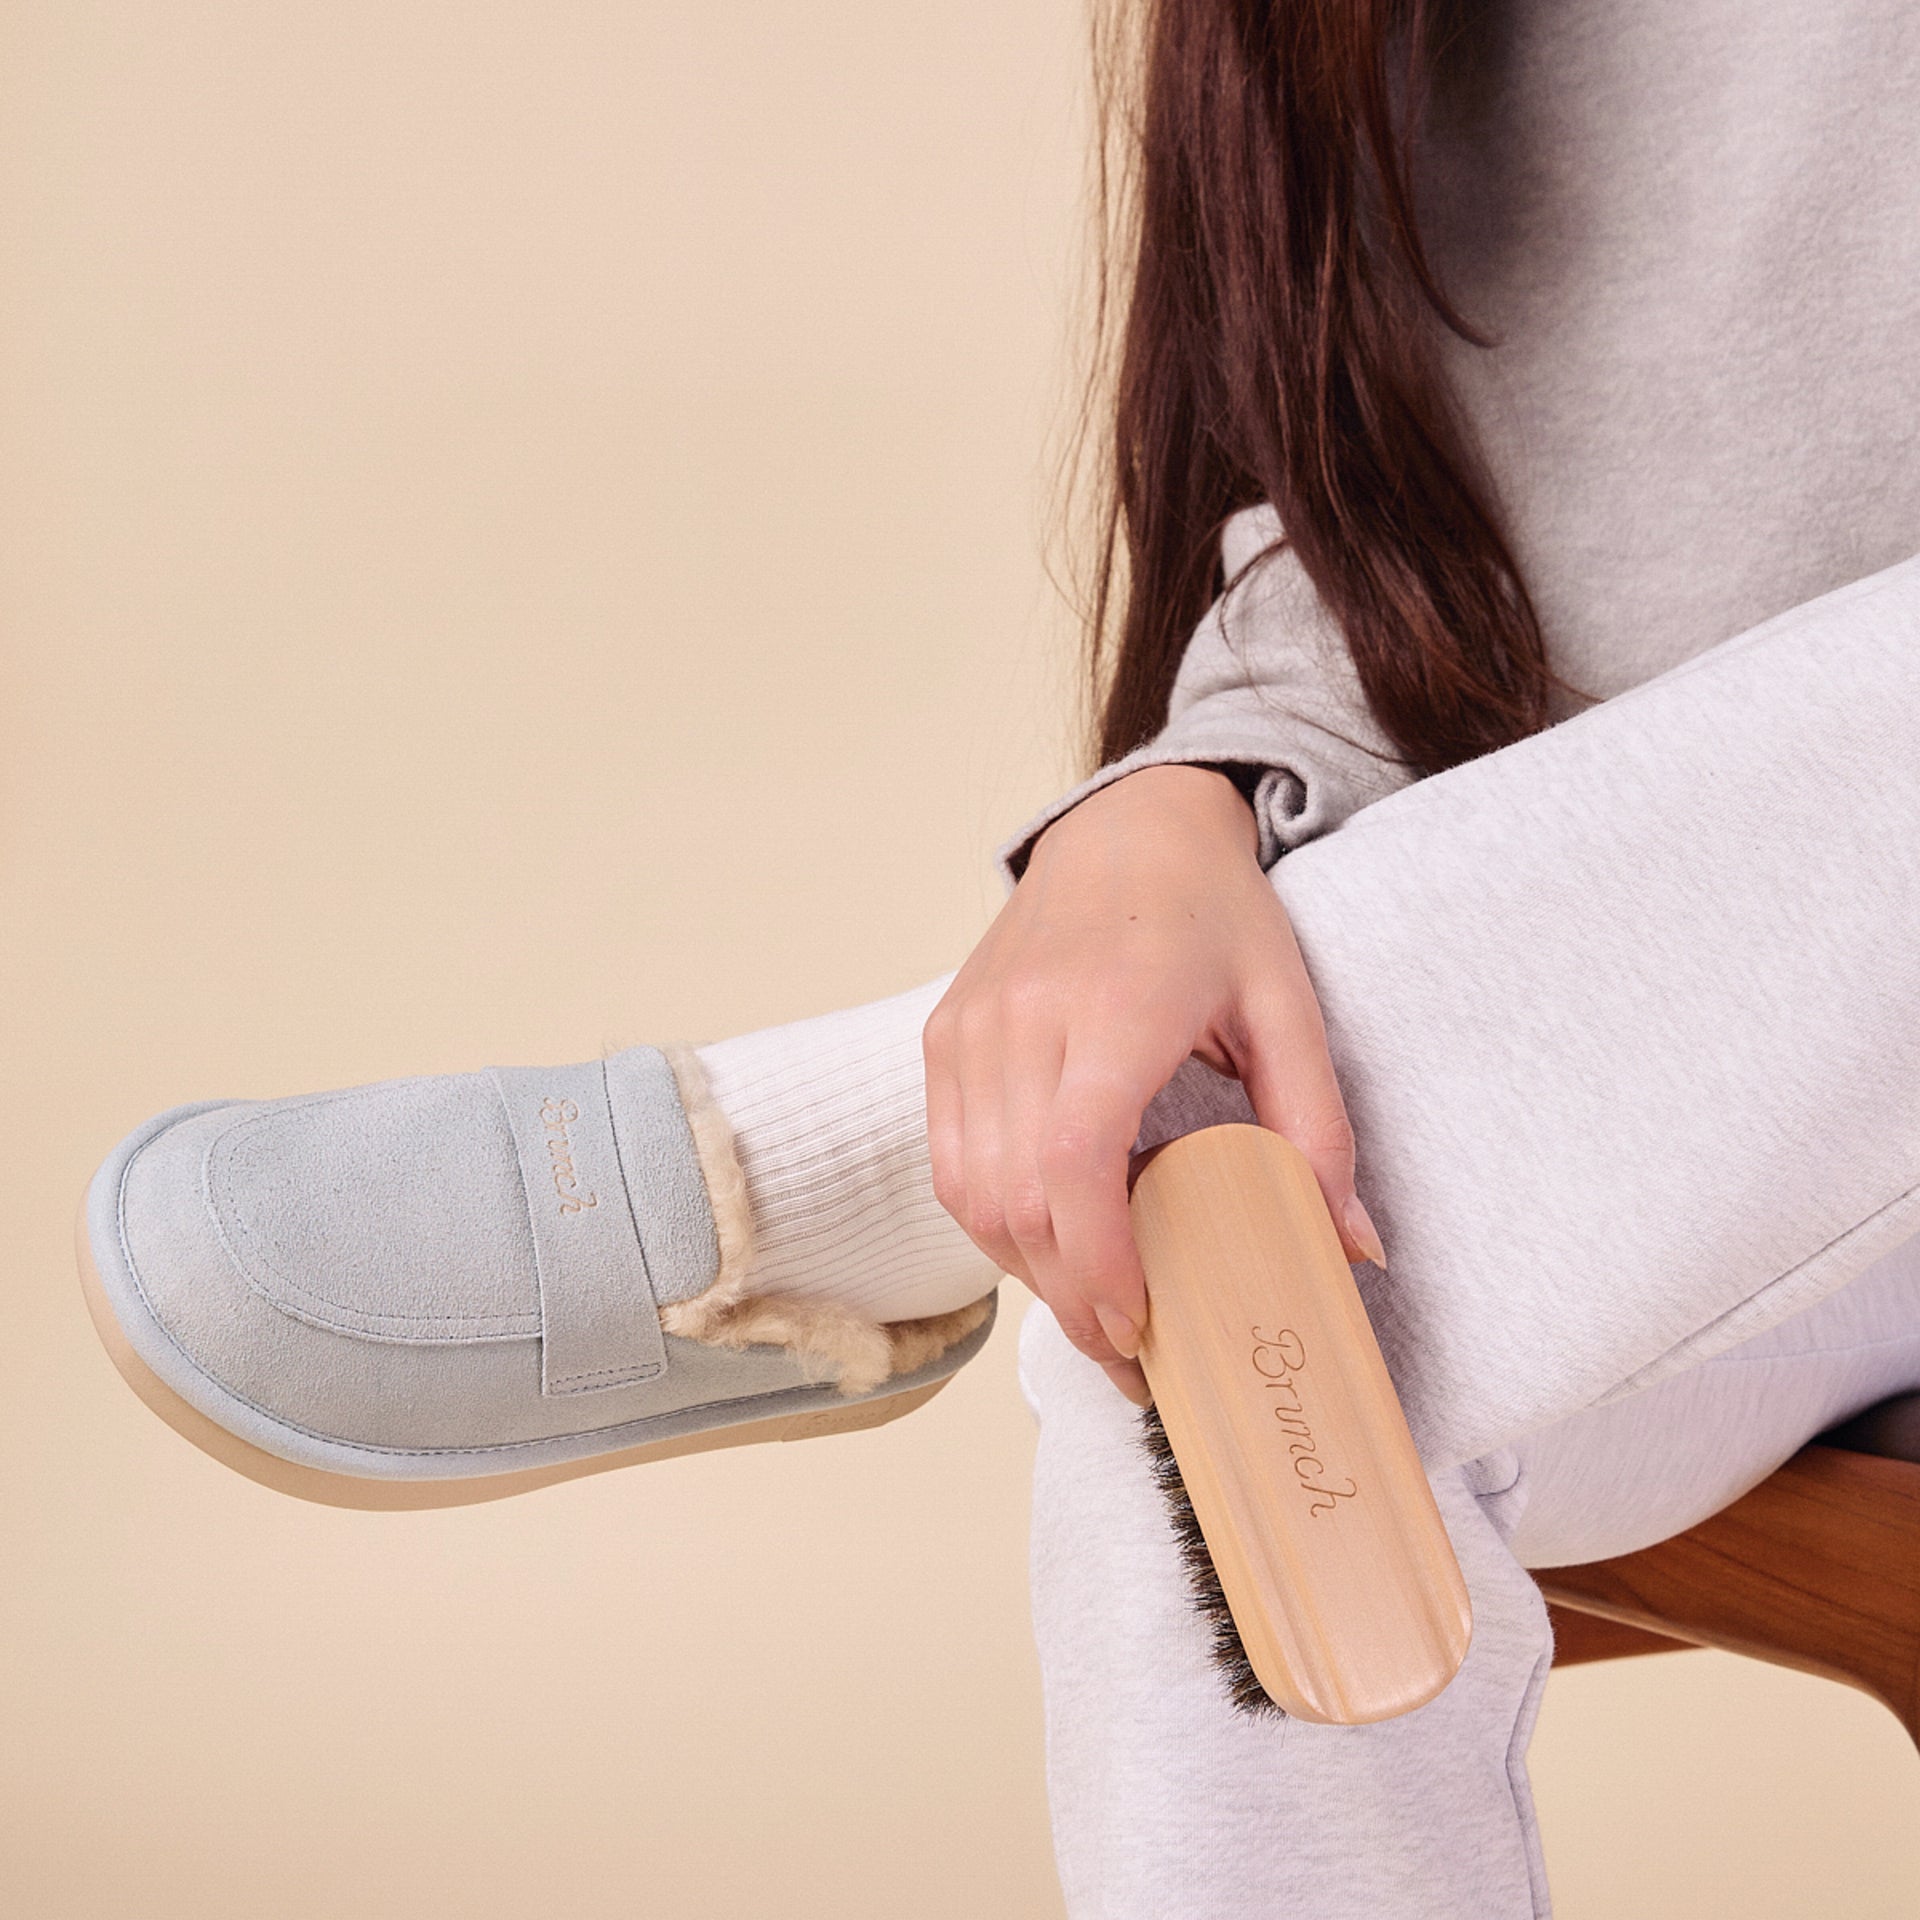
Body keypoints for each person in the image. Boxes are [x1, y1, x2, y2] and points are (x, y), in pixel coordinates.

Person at [80, 1, 1920, 1911]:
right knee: (1217, 1274)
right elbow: (1440, 482)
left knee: (1165, 1169)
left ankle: (827, 1163)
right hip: (1744, 1100)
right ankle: (1039, 1112)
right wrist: (1195, 795)